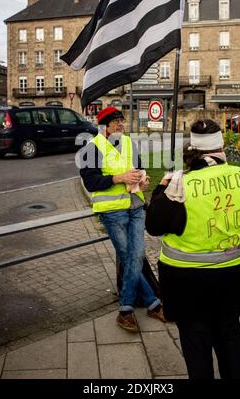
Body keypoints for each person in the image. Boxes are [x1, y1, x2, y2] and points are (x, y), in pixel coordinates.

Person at [146, 119, 240, 379]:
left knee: (197, 349)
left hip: (188, 286)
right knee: (231, 342)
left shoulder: (179, 185)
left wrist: (162, 186)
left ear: (192, 150)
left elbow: (154, 225)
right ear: (221, 146)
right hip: (233, 279)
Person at [79, 106, 165, 332]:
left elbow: (139, 169)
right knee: (130, 257)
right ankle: (146, 306)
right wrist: (120, 177)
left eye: (121, 121)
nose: (120, 124)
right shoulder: (93, 147)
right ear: (104, 126)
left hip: (136, 206)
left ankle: (131, 309)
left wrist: (143, 179)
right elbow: (90, 181)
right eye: (115, 121)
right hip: (111, 211)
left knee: (134, 256)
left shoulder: (128, 143)